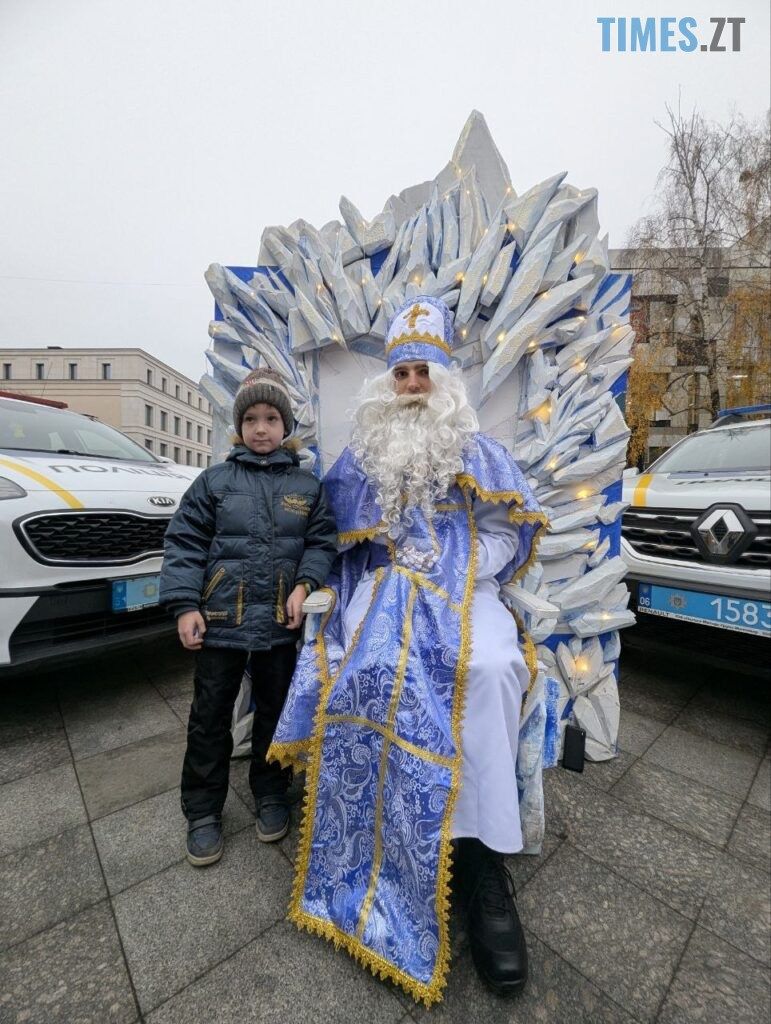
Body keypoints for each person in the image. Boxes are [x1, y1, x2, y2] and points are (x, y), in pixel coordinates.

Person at [268, 297, 547, 1005]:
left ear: (445, 379)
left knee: (489, 668)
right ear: (387, 383)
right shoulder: (360, 458)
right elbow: (335, 542)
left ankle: (484, 867)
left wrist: (452, 566)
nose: (413, 384)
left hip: (463, 593)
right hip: (383, 590)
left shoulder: (480, 453)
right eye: (402, 374)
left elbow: (509, 536)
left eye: (424, 371)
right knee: (370, 673)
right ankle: (377, 851)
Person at [159, 368, 337, 866]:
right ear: (239, 427)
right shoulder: (213, 482)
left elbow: (321, 543)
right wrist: (186, 605)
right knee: (209, 717)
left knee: (276, 714)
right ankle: (202, 810)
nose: (261, 428)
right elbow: (185, 544)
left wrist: (305, 585)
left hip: (281, 628)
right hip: (221, 624)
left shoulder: (307, 486)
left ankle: (272, 793)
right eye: (252, 419)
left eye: (272, 418)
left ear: (286, 425)